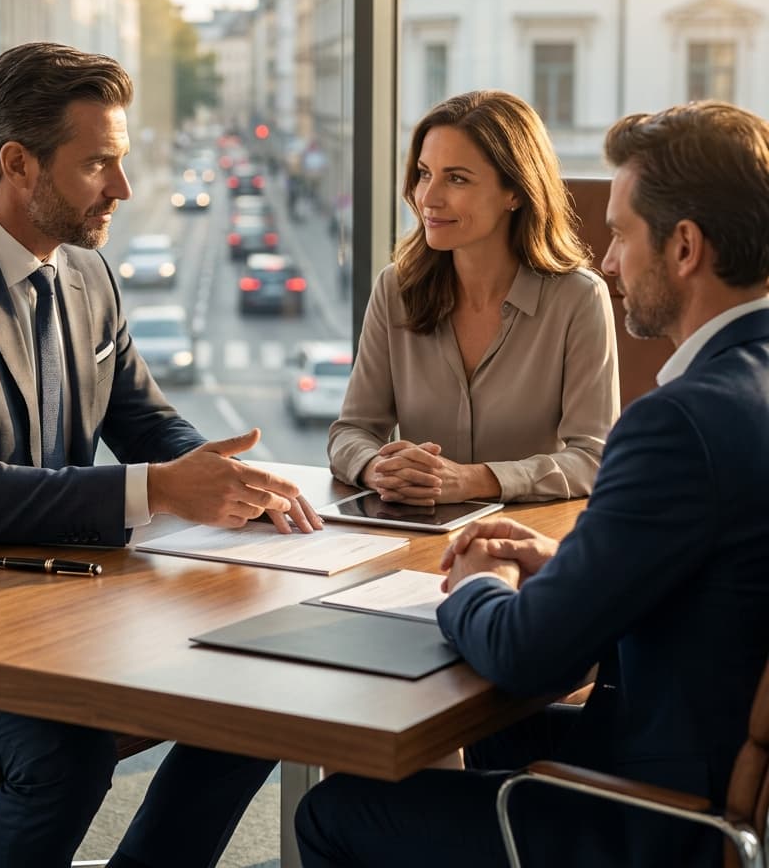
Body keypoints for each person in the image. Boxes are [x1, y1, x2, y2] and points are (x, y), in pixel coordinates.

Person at [0, 41, 321, 868]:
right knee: (64, 751)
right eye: (98, 164)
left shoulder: (85, 273)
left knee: (254, 694)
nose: (124, 187)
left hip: (55, 598)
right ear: (18, 164)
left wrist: (220, 480)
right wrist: (160, 489)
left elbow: (145, 420)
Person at [295, 99, 769, 867]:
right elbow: (720, 578)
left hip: (659, 818)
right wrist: (564, 567)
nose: (609, 263)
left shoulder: (680, 421)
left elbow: (525, 655)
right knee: (476, 739)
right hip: (697, 759)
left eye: (621, 235)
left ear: (684, 247)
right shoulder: (745, 391)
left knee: (337, 811)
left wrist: (474, 583)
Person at [328, 90, 618, 505]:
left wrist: (475, 480)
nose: (428, 198)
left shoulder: (578, 298)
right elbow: (351, 430)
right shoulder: (396, 289)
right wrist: (377, 468)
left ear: (514, 192)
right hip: (415, 529)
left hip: (527, 534)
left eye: (457, 179)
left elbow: (593, 457)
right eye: (424, 173)